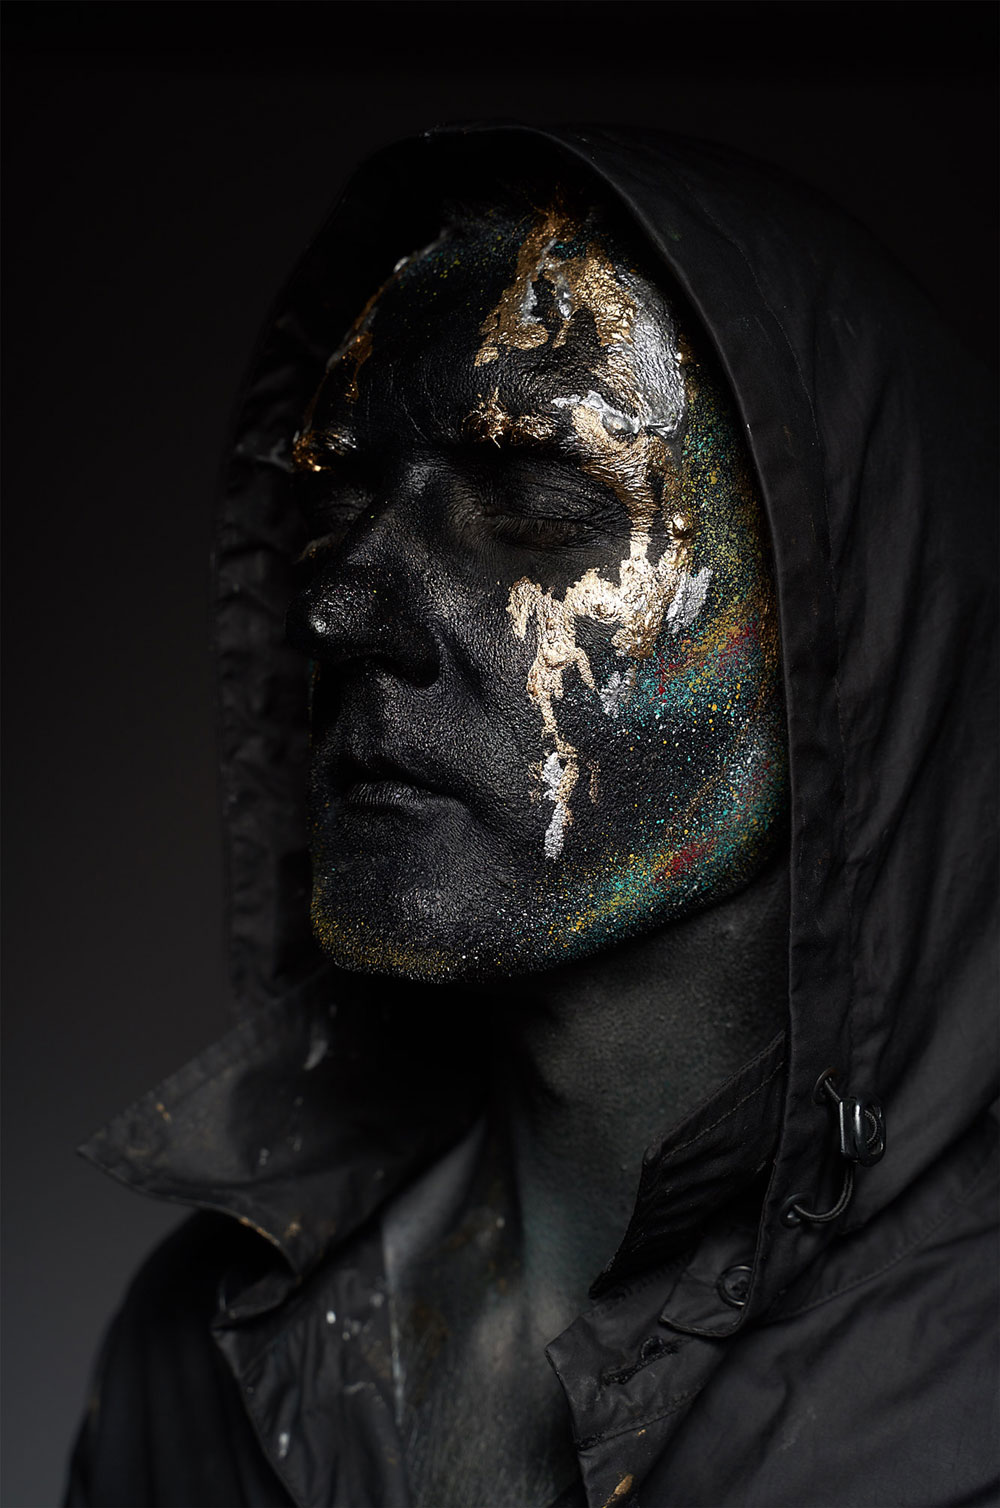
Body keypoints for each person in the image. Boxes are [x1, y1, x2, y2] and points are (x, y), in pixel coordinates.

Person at [66, 125, 997, 1508]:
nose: (337, 606)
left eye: (537, 501)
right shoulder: (201, 1350)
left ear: (847, 625)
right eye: (338, 506)